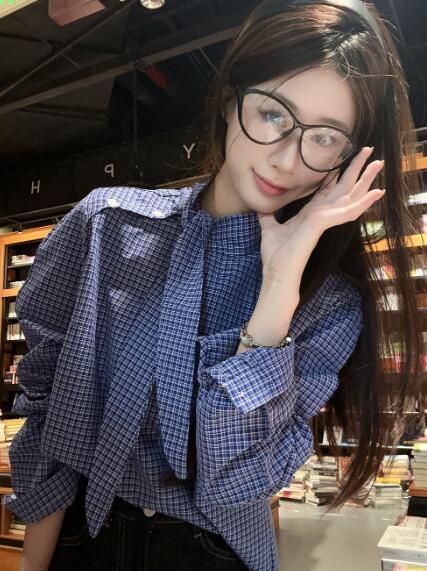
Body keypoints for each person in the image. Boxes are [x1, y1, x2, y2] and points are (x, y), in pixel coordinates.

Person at [7, 1, 422, 570]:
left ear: (350, 160)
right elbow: (48, 414)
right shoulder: (106, 225)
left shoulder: (327, 302)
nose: (286, 159)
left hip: (213, 552)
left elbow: (234, 481)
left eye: (325, 138)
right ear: (231, 100)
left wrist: (279, 286)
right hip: (85, 533)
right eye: (273, 114)